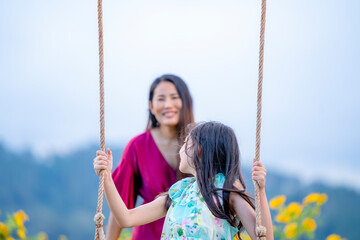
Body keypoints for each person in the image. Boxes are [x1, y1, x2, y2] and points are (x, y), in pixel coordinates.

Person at [94, 121, 274, 239]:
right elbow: (127, 218)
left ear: (200, 150)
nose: (180, 148)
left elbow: (263, 237)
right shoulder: (179, 193)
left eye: (187, 142)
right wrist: (107, 177)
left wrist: (261, 191)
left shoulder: (225, 191)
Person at [106, 74, 194, 240]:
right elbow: (122, 206)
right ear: (151, 106)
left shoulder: (200, 142)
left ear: (185, 102)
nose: (168, 105)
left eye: (174, 97)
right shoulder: (137, 146)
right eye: (161, 99)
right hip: (148, 235)